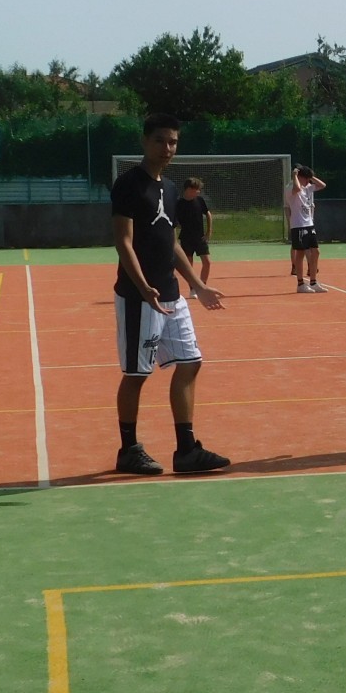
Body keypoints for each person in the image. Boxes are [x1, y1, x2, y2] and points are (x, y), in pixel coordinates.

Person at [109, 115, 231, 476]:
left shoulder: (172, 189)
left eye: (173, 142)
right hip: (139, 297)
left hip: (173, 297)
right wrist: (143, 286)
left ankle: (186, 450)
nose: (167, 148)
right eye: (160, 140)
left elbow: (171, 242)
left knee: (190, 362)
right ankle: (128, 450)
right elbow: (124, 241)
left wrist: (197, 285)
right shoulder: (128, 185)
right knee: (137, 373)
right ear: (145, 141)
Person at [286, 165, 327, 293]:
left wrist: (311, 176)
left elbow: (322, 185)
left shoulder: (307, 188)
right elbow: (297, 188)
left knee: (316, 252)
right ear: (299, 177)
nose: (308, 181)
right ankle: (300, 284)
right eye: (306, 178)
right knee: (300, 254)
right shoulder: (290, 188)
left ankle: (313, 282)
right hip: (298, 225)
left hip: (309, 224)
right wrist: (295, 175)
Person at [177, 176, 213, 286]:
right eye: (196, 189)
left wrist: (208, 232)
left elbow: (208, 214)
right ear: (188, 189)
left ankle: (203, 285)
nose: (198, 192)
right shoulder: (178, 203)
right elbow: (174, 221)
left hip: (200, 238)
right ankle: (193, 288)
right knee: (189, 265)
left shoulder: (199, 200)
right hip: (186, 238)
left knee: (207, 262)